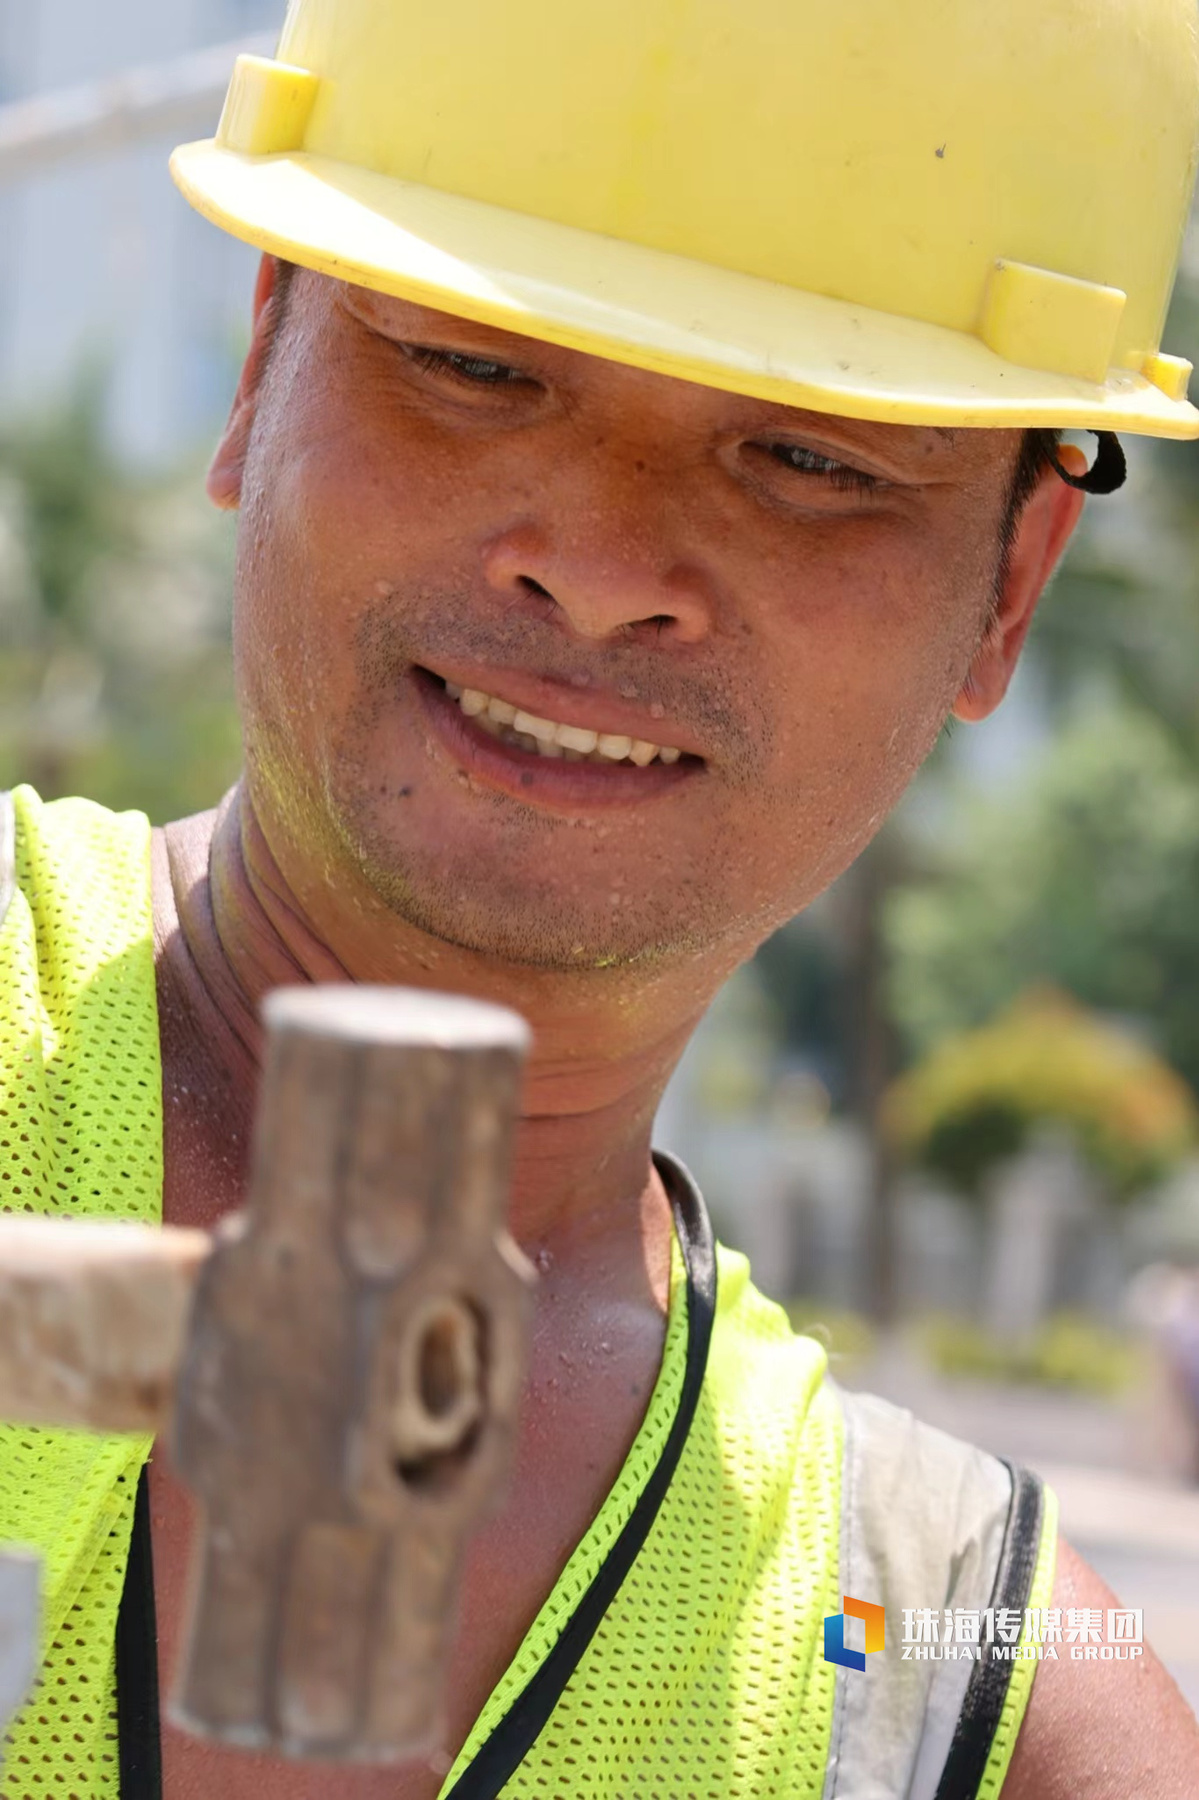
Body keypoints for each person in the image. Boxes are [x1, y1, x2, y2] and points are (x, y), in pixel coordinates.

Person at [2, 0, 1199, 1795]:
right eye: (473, 367)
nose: (599, 563)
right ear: (266, 364)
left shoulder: (967, 1691)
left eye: (815, 461)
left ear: (1010, 585)